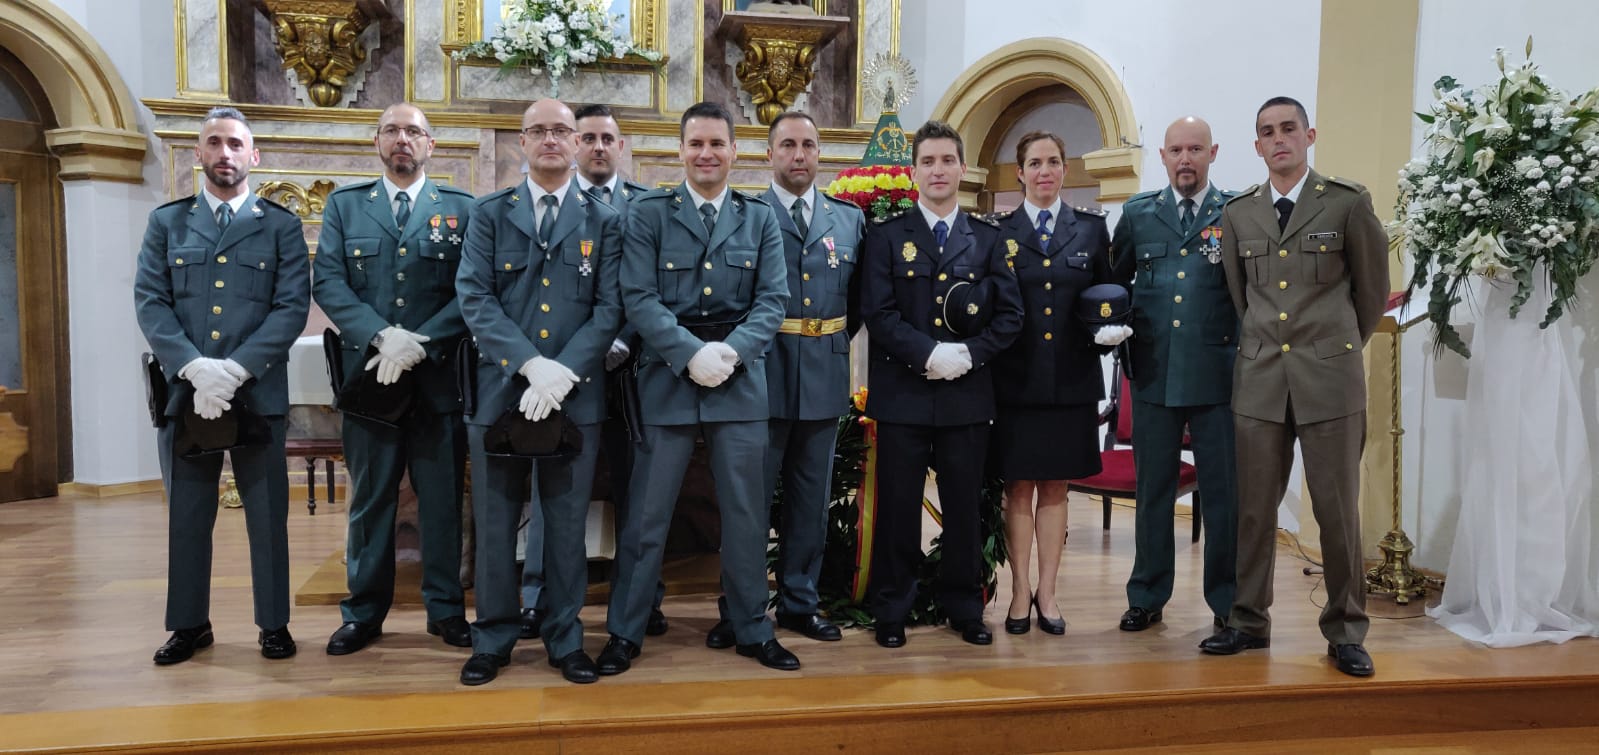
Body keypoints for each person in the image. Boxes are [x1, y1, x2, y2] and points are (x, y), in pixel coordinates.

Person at [599, 101, 797, 675]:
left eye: (717, 144)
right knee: (646, 515)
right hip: (667, 378)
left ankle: (750, 626)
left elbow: (773, 301)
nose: (706, 154)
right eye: (696, 145)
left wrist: (729, 352)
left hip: (738, 379)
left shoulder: (758, 218)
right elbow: (638, 296)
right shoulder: (648, 214)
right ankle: (625, 631)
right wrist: (690, 354)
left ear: (735, 152)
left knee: (744, 514)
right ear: (680, 151)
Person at [1202, 96, 1388, 677]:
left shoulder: (1347, 203)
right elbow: (1241, 296)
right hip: (1260, 381)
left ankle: (1346, 629)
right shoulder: (1238, 213)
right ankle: (1248, 621)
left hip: (1330, 379)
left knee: (1336, 512)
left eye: (1288, 129)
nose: (1278, 139)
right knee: (1254, 511)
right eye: (1266, 132)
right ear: (1256, 145)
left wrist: (1332, 348)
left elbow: (1372, 295)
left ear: (1309, 135)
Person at [455, 98, 624, 685]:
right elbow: (474, 297)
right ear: (520, 144)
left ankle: (564, 636)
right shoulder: (489, 214)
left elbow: (610, 308)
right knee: (496, 521)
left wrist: (563, 372)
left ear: (578, 143)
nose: (550, 139)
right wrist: (531, 366)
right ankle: (494, 637)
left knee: (567, 520)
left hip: (576, 397)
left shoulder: (606, 219)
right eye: (538, 131)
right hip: (502, 389)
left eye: (561, 130)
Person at [134, 106, 311, 664]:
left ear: (253, 156)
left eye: (236, 144)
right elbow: (151, 301)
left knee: (267, 515)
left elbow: (290, 308)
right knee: (188, 513)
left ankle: (274, 623)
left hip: (256, 391)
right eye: (214, 143)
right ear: (198, 155)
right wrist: (193, 367)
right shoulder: (168, 223)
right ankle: (189, 624)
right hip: (187, 393)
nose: (225, 153)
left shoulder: (280, 226)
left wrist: (235, 370)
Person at [312, 102, 475, 655]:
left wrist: (419, 342)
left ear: (431, 145)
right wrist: (385, 336)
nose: (402, 139)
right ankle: (363, 611)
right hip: (371, 380)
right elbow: (329, 282)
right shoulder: (346, 206)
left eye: (413, 131)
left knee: (441, 501)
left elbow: (471, 291)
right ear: (376, 142)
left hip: (435, 382)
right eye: (391, 131)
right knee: (371, 500)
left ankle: (446, 610)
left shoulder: (461, 208)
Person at [703, 111, 865, 649]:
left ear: (820, 154)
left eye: (809, 146)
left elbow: (857, 302)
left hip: (823, 373)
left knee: (809, 502)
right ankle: (739, 608)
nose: (800, 155)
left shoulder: (848, 221)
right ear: (768, 155)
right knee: (747, 502)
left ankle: (799, 601)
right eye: (789, 145)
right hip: (759, 376)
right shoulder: (747, 215)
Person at [859, 120, 1023, 648]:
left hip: (965, 396)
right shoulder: (886, 236)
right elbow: (878, 314)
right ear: (914, 172)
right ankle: (892, 606)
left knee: (964, 507)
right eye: (927, 161)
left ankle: (963, 605)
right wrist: (927, 353)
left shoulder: (990, 238)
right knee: (899, 508)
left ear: (961, 169)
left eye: (947, 161)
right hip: (904, 395)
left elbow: (1010, 317)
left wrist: (969, 356)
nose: (937, 170)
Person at [518, 103, 668, 642]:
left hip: (632, 368)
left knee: (638, 488)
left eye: (609, 138)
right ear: (574, 144)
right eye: (589, 137)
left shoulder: (650, 207)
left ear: (622, 147)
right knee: (549, 484)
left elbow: (650, 288)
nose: (599, 146)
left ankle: (641, 596)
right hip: (564, 369)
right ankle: (538, 595)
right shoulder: (548, 205)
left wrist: (624, 340)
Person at [987, 131, 1122, 636]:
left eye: (1054, 161)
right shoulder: (998, 232)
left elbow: (1106, 300)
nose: (1045, 171)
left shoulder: (1089, 230)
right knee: (1018, 488)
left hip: (1071, 382)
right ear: (1019, 172)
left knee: (1056, 489)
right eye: (1034, 163)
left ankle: (1049, 591)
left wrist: (1110, 333)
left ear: (1065, 169)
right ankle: (1019, 591)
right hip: (1015, 382)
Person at [1111, 117, 1239, 634]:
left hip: (1218, 379)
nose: (1185, 159)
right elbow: (1113, 282)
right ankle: (1147, 594)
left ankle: (1229, 602)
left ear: (1213, 153)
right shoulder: (1140, 214)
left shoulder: (1235, 213)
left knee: (1225, 496)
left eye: (1195, 149)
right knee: (1154, 493)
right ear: (1162, 157)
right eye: (1176, 151)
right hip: (1154, 376)